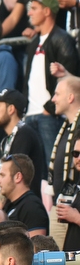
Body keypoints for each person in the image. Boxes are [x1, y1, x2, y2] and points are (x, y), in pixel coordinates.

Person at [22, 0, 80, 160]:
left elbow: (70, 77)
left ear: (47, 11)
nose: (29, 12)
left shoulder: (62, 39)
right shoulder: (34, 43)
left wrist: (49, 109)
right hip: (31, 114)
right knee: (36, 172)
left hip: (49, 116)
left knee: (52, 167)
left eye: (34, 8)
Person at [0, 88, 46, 197]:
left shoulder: (24, 134)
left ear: (11, 109)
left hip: (24, 208)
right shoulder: (7, 139)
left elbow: (12, 178)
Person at [49, 76, 80, 245]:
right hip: (62, 205)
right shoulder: (66, 127)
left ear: (70, 97)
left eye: (57, 94)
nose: (53, 99)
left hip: (74, 208)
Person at [0, 154, 48, 236]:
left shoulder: (32, 207)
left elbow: (36, 246)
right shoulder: (10, 205)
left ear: (18, 177)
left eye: (2, 175)